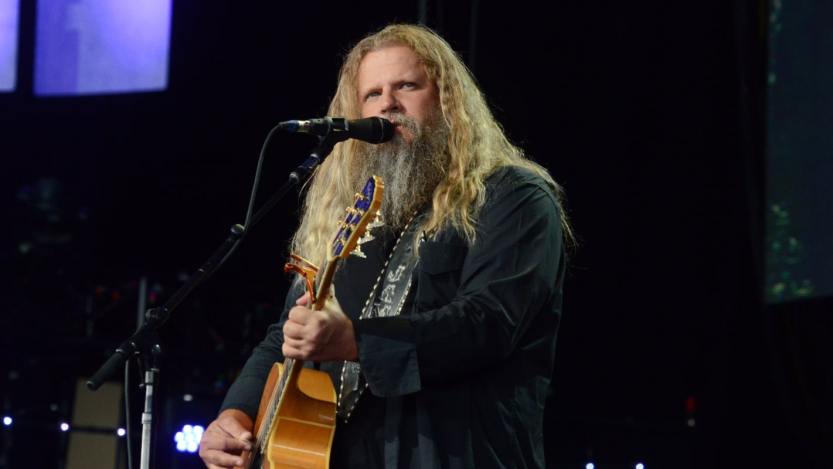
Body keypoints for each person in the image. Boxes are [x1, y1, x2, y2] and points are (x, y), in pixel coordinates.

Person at [199, 23, 573, 469]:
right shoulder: (347, 214)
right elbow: (286, 335)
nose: (388, 105)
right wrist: (235, 414)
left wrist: (356, 341)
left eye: (406, 86)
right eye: (372, 94)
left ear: (448, 100)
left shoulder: (513, 197)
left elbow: (489, 323)